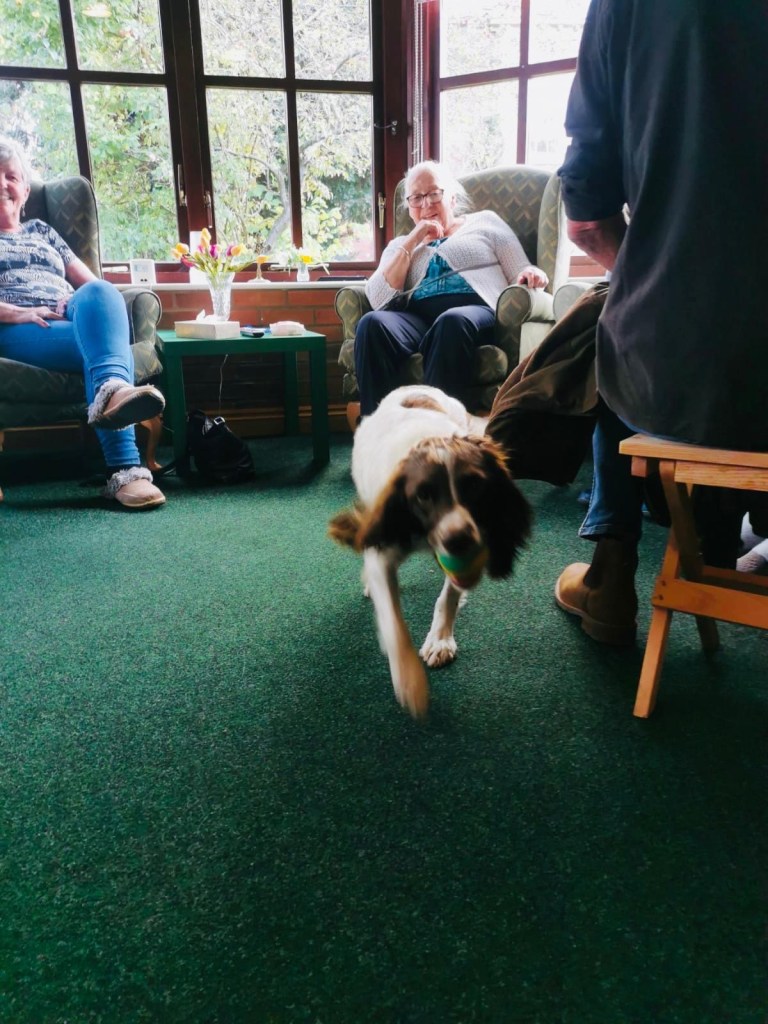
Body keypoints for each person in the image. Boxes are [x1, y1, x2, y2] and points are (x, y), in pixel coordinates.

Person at [551, 0, 768, 644]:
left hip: (678, 364)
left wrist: (651, 281)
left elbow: (586, 217)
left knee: (616, 342)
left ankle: (610, 573)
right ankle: (720, 544)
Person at [0, 136, 166, 509]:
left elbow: (90, 286)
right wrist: (18, 312)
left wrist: (76, 301)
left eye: (11, 176)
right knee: (108, 354)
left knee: (102, 290)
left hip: (67, 320)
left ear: (25, 191)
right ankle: (127, 469)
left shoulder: (43, 231)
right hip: (15, 328)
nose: (2, 184)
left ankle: (112, 394)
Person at [353, 160, 548, 417]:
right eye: (416, 198)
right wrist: (414, 239)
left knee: (451, 320)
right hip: (418, 318)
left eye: (434, 194)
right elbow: (378, 298)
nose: (426, 204)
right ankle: (379, 427)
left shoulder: (485, 223)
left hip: (475, 311)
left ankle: (441, 430)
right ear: (409, 208)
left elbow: (519, 268)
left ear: (452, 198)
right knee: (371, 324)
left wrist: (531, 273)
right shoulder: (401, 244)